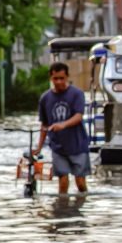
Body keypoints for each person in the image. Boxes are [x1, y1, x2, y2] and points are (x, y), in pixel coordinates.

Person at [34, 62, 90, 194]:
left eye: (61, 78)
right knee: (63, 182)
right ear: (50, 78)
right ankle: (62, 209)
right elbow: (44, 125)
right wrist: (39, 147)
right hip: (58, 147)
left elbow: (78, 116)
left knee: (80, 183)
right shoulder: (45, 98)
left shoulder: (77, 94)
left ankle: (81, 205)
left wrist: (63, 125)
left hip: (78, 145)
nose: (58, 82)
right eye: (55, 78)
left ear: (67, 77)